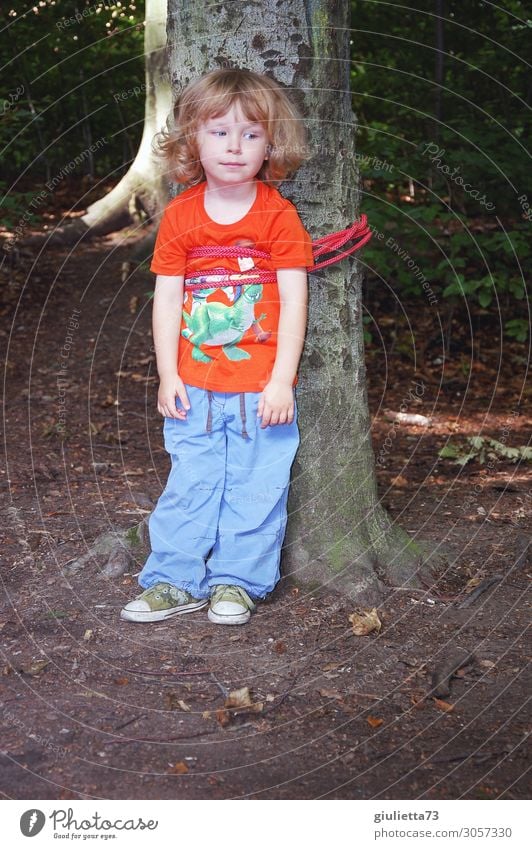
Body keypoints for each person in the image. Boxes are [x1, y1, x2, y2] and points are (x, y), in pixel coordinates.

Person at [120, 67, 314, 626]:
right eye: (219, 132)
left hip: (262, 388)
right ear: (192, 141)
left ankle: (237, 580)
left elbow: (295, 301)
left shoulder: (279, 215)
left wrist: (281, 378)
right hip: (194, 383)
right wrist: (168, 373)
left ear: (270, 145)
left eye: (251, 134)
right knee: (191, 480)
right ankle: (173, 580)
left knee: (257, 483)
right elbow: (166, 300)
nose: (234, 146)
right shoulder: (181, 215)